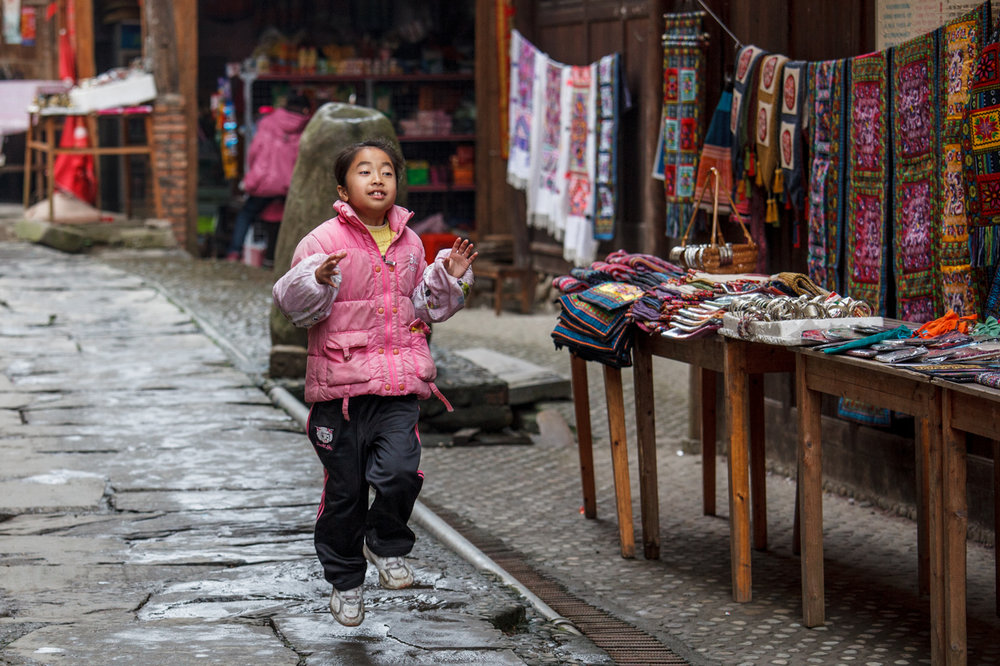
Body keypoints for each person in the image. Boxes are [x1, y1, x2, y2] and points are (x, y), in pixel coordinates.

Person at [271, 138, 477, 627]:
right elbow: (291, 304)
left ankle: (386, 547)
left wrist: (449, 277)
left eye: (386, 171)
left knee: (401, 472)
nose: (378, 179)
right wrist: (315, 279)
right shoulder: (320, 242)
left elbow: (426, 307)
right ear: (344, 187)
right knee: (345, 494)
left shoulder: (409, 243)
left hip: (398, 387)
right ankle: (345, 581)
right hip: (340, 394)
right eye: (365, 172)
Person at [225, 93, 312, 262]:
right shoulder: (307, 129)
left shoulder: (268, 123)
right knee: (284, 220)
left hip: (264, 182)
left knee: (246, 214)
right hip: (289, 186)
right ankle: (274, 258)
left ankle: (234, 252)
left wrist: (253, 174)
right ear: (305, 109)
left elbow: (254, 151)